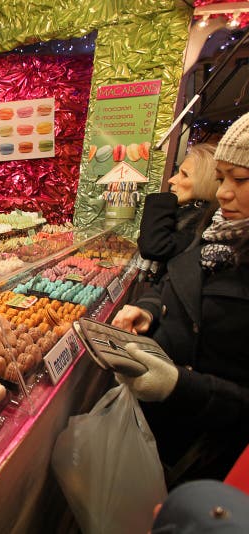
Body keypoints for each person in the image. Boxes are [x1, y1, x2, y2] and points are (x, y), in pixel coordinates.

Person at [111, 111, 249, 485]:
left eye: (240, 179)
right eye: (221, 178)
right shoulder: (215, 232)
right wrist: (148, 309)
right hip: (162, 431)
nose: (223, 193)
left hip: (209, 456)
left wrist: (178, 385)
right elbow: (175, 281)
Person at [138, 143, 219, 281]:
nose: (171, 180)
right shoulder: (188, 211)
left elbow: (154, 247)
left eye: (185, 175)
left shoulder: (201, 221)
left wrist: (161, 201)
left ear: (206, 183)